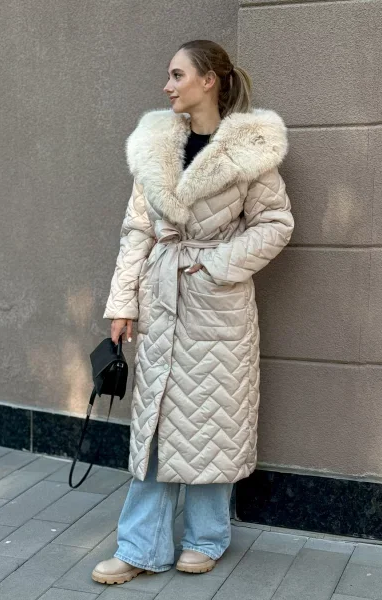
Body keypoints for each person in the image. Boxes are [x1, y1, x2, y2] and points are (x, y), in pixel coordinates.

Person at [92, 39, 295, 585]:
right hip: (161, 302)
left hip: (219, 307)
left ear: (209, 80)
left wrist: (216, 265)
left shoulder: (249, 151)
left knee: (212, 421)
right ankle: (140, 547)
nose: (167, 86)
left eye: (177, 75)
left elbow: (276, 223)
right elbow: (137, 230)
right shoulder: (155, 147)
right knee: (156, 423)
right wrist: (122, 303)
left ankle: (207, 538)